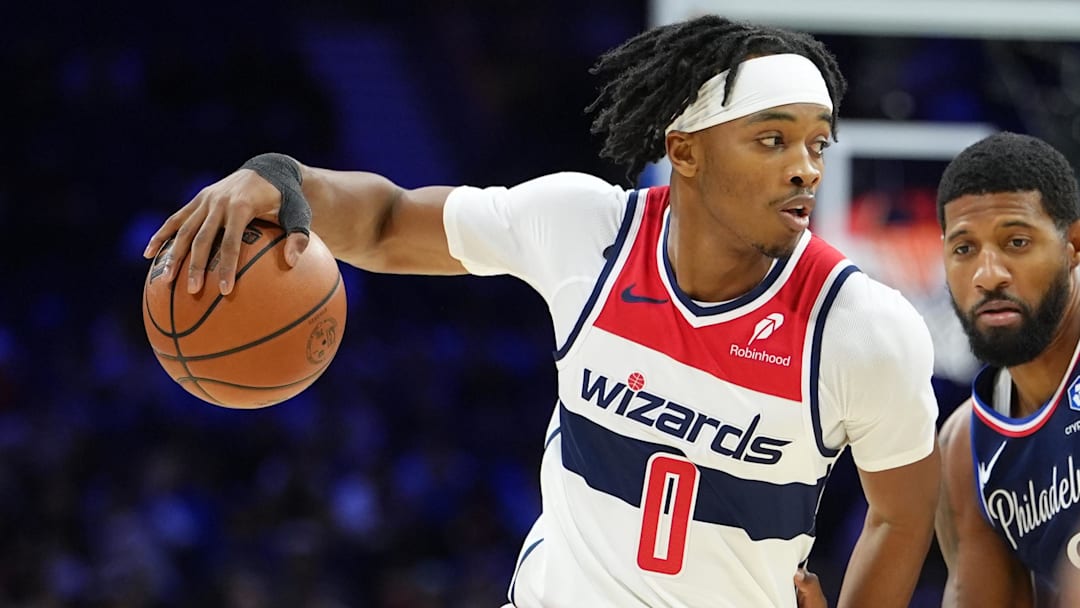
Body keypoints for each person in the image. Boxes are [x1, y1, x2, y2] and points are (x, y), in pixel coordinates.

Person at [143, 15, 940, 608]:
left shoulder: (864, 328)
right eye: (772, 141)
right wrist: (286, 179)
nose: (805, 169)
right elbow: (387, 224)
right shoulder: (586, 229)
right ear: (686, 151)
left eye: (816, 144)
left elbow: (903, 517)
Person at [935, 132, 1080, 607]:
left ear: (1073, 244)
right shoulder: (965, 449)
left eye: (1016, 242)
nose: (988, 274)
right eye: (964, 249)